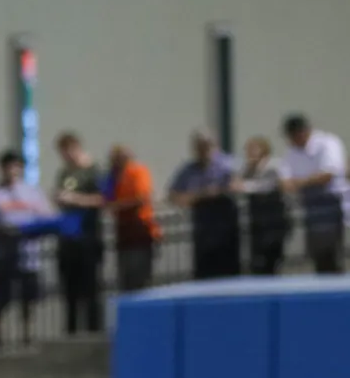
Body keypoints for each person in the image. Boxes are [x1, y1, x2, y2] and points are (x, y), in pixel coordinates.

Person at [0, 151, 54, 348]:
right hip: (4, 255)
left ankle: (27, 333)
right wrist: (3, 230)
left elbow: (46, 216)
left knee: (29, 296)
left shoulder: (32, 193)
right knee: (2, 297)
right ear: (1, 168)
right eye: (9, 166)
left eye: (17, 166)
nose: (13, 171)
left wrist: (37, 228)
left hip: (29, 255)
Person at [281, 114, 348, 275]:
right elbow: (285, 181)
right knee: (317, 253)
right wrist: (307, 181)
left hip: (332, 202)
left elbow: (328, 175)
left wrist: (300, 182)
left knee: (332, 251)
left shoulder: (327, 143)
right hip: (310, 204)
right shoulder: (291, 152)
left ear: (303, 132)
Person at [168, 130, 239, 280]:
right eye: (199, 146)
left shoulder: (226, 164)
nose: (203, 150)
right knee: (205, 271)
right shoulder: (188, 170)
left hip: (225, 222)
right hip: (203, 226)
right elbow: (173, 195)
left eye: (207, 145)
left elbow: (236, 185)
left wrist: (217, 191)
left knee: (228, 270)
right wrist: (201, 195)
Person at [53, 132, 105, 335]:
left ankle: (94, 331)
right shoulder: (64, 173)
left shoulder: (92, 171)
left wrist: (75, 199)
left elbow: (101, 199)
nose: (65, 156)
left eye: (67, 150)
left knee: (90, 289)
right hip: (68, 239)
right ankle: (71, 332)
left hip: (88, 236)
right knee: (70, 291)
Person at [104, 145, 161, 292]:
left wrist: (119, 206)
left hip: (140, 232)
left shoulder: (137, 172)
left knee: (139, 280)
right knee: (126, 281)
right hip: (124, 235)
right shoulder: (113, 177)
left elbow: (141, 198)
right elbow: (106, 199)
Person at [234, 136, 290, 276]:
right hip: (257, 223)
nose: (250, 153)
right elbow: (236, 181)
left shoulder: (273, 166)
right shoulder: (249, 169)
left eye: (254, 149)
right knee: (257, 262)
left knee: (272, 260)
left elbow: (266, 186)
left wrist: (244, 186)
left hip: (273, 221)